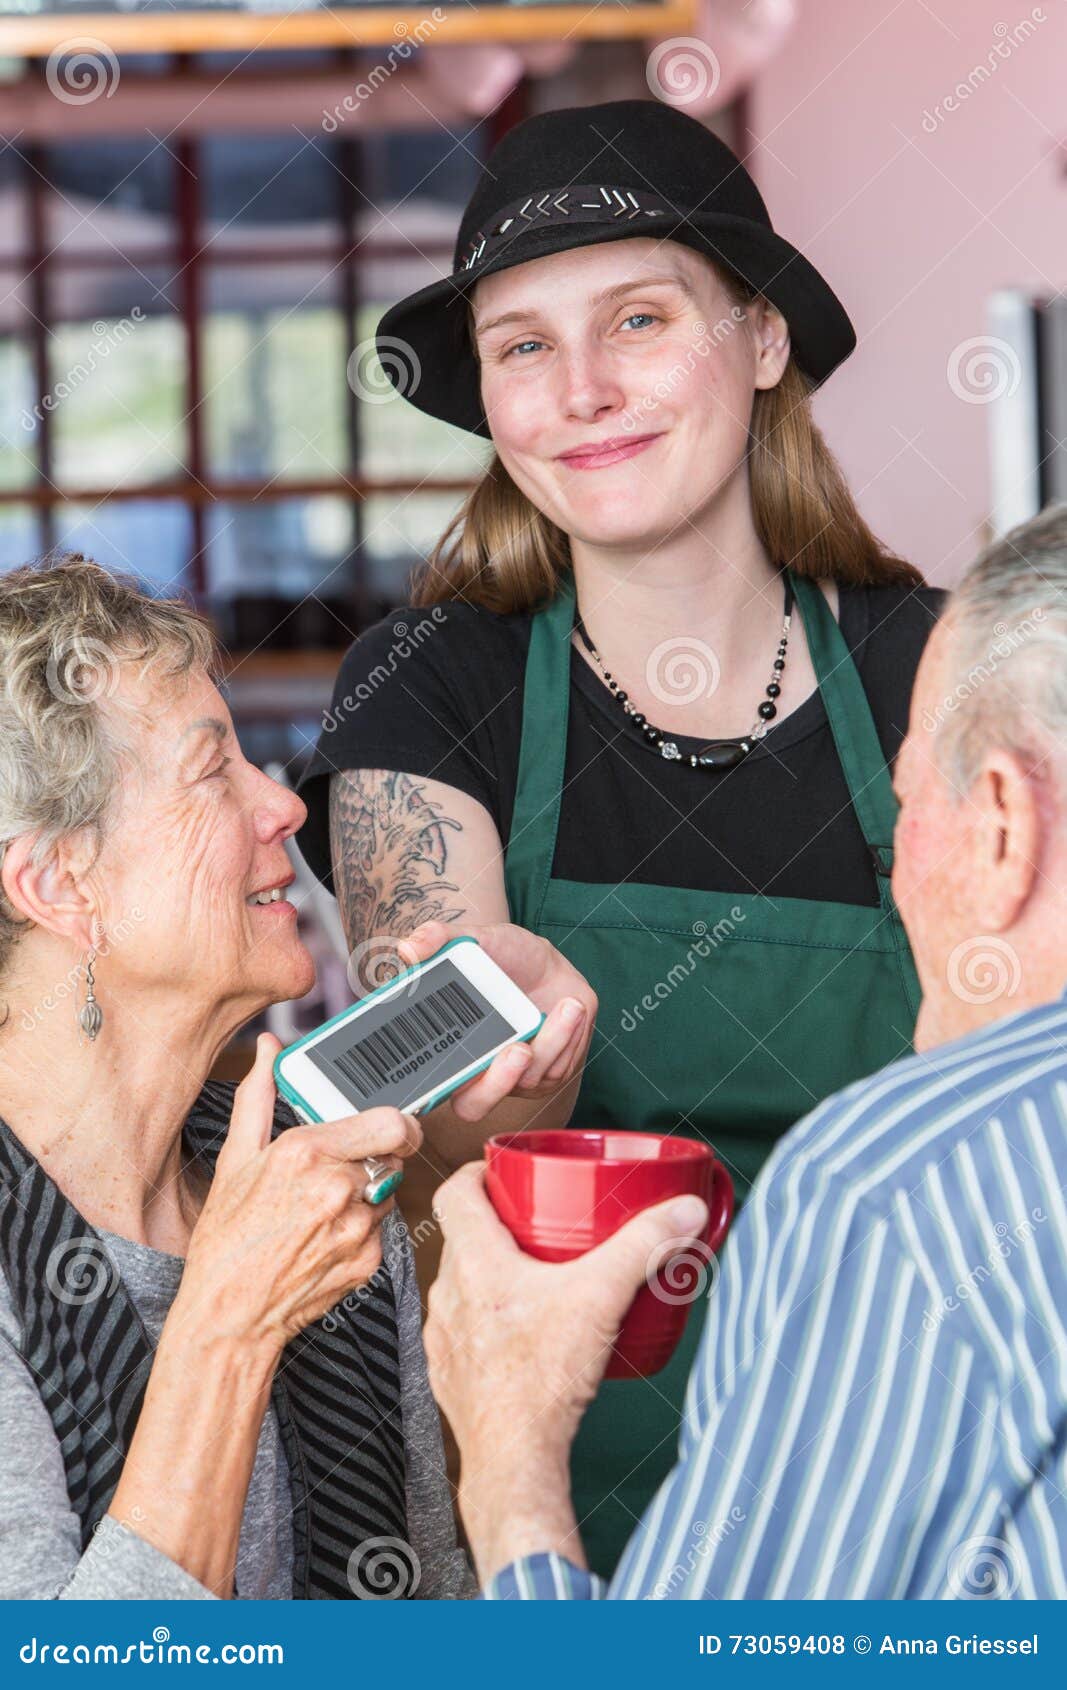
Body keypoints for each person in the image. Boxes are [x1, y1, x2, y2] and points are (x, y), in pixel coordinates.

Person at [296, 96, 944, 1570]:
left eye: (638, 319)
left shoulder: (936, 670)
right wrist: (493, 1047)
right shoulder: (426, 685)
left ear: (762, 341)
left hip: (900, 1471)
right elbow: (425, 1120)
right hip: (534, 1492)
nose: (580, 388)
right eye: (523, 344)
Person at [417, 504, 1067, 1599]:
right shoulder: (450, 677)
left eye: (904, 804)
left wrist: (507, 1455)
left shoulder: (896, 1186)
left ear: (999, 823)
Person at [0, 554, 510, 1600]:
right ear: (59, 883)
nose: (283, 804)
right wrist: (229, 1321)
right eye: (210, 770)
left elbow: (426, 1618)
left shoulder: (311, 1182)